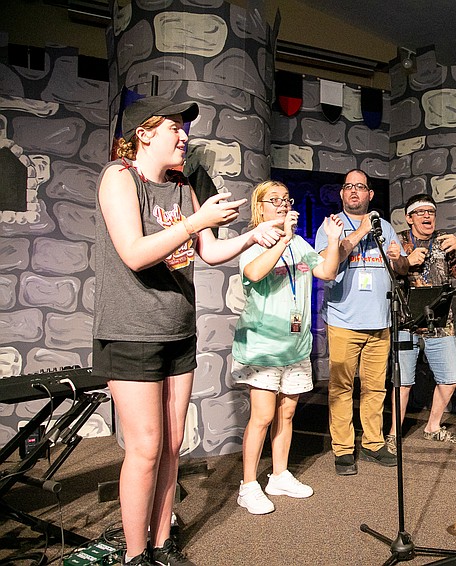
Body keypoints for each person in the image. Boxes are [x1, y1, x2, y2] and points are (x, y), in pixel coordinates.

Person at [93, 96, 284, 566]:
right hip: (131, 331)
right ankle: (135, 554)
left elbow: (209, 251)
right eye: (174, 128)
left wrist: (253, 235)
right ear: (144, 134)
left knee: (172, 445)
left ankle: (161, 544)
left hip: (178, 329)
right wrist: (197, 221)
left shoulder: (182, 187)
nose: (184, 136)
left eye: (185, 128)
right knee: (146, 447)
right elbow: (135, 253)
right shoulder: (120, 177)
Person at [231, 181, 344, 514]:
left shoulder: (298, 242)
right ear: (260, 207)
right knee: (263, 416)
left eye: (286, 199)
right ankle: (248, 485)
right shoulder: (257, 240)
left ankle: (279, 475)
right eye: (274, 199)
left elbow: (326, 271)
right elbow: (254, 272)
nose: (282, 204)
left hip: (295, 345)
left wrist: (333, 241)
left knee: (287, 412)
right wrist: (282, 238)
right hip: (264, 346)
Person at [315, 169, 408, 476]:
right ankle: (343, 449)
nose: (354, 191)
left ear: (370, 194)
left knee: (375, 388)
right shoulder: (332, 225)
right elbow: (328, 261)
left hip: (380, 321)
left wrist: (398, 258)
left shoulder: (386, 227)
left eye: (360, 186)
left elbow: (402, 268)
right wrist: (360, 231)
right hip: (344, 320)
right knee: (341, 388)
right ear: (342, 194)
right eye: (348, 186)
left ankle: (373, 442)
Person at [385, 194, 456, 454]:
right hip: (406, 322)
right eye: (420, 212)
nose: (427, 216)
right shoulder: (398, 240)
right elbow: (393, 271)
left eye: (430, 212)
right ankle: (394, 434)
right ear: (409, 218)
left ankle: (433, 426)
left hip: (440, 322)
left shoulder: (446, 240)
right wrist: (406, 260)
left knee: (449, 379)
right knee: (403, 382)